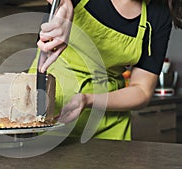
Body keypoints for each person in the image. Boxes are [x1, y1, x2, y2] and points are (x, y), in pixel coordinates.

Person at [29, 0, 182, 141]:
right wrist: (64, 3)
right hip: (48, 108)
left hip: (107, 120)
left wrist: (88, 100)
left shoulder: (158, 13)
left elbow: (142, 90)